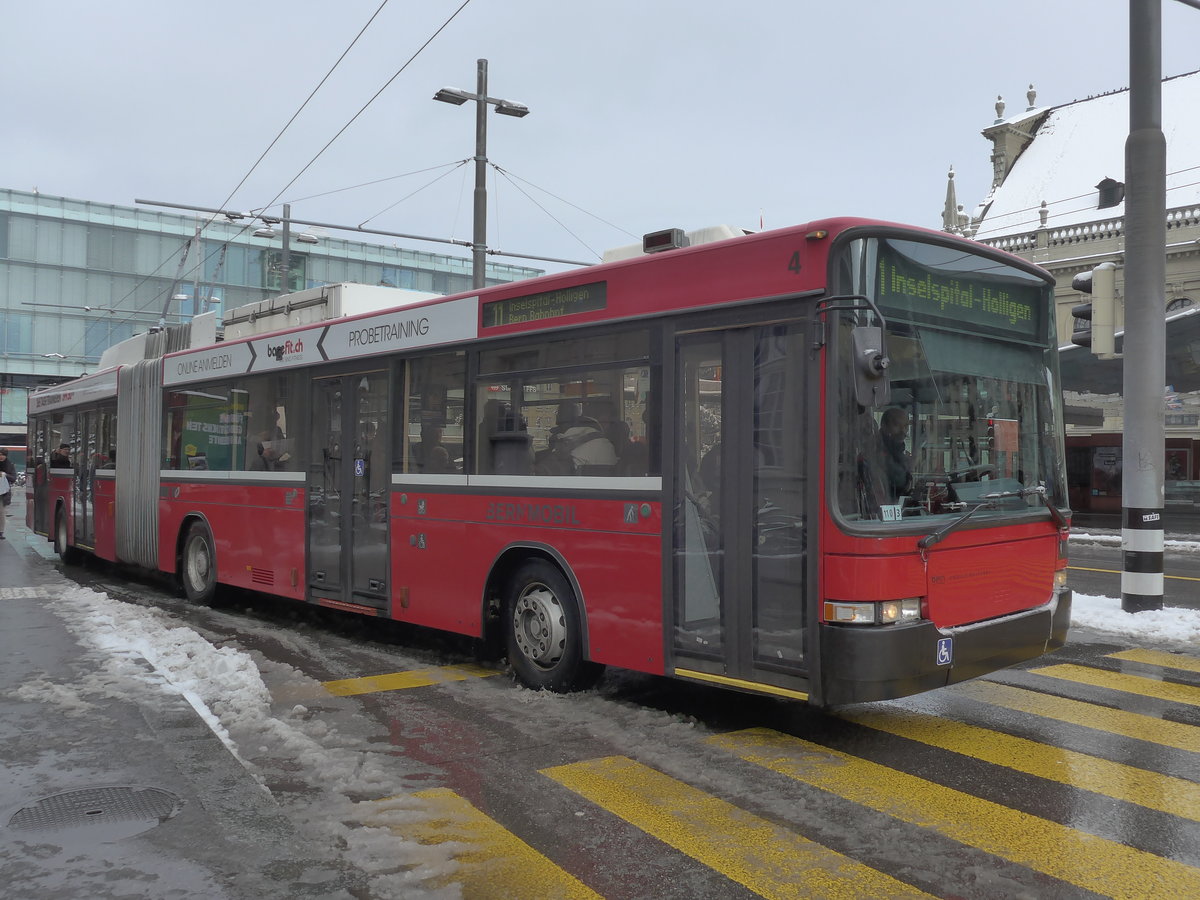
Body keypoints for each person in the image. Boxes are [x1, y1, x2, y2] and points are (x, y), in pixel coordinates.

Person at [874, 407, 913, 500]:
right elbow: (899, 481)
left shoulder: (896, 450)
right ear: (884, 426)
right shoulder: (877, 449)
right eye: (896, 425)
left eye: (906, 426)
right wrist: (913, 461)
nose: (903, 431)